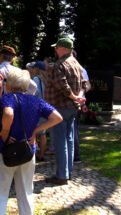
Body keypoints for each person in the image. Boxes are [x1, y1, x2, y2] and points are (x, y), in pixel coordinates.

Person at [0, 68, 62, 215]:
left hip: (4, 149)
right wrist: (35, 131)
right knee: (26, 192)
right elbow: (57, 117)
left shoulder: (7, 98)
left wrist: (5, 132)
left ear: (9, 84)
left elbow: (8, 113)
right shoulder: (36, 100)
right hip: (28, 151)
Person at [44, 38, 87, 185]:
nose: (55, 50)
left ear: (63, 48)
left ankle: (62, 176)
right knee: (69, 139)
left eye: (56, 48)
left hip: (60, 107)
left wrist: (74, 96)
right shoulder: (76, 63)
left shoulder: (59, 65)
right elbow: (84, 84)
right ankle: (68, 173)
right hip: (73, 108)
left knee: (60, 141)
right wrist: (79, 97)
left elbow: (61, 85)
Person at [27, 61, 48, 161]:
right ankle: (42, 154)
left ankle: (33, 155)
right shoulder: (47, 79)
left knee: (33, 132)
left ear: (37, 69)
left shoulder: (36, 79)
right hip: (46, 108)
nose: (32, 69)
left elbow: (35, 93)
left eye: (34, 68)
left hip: (36, 108)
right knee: (43, 133)